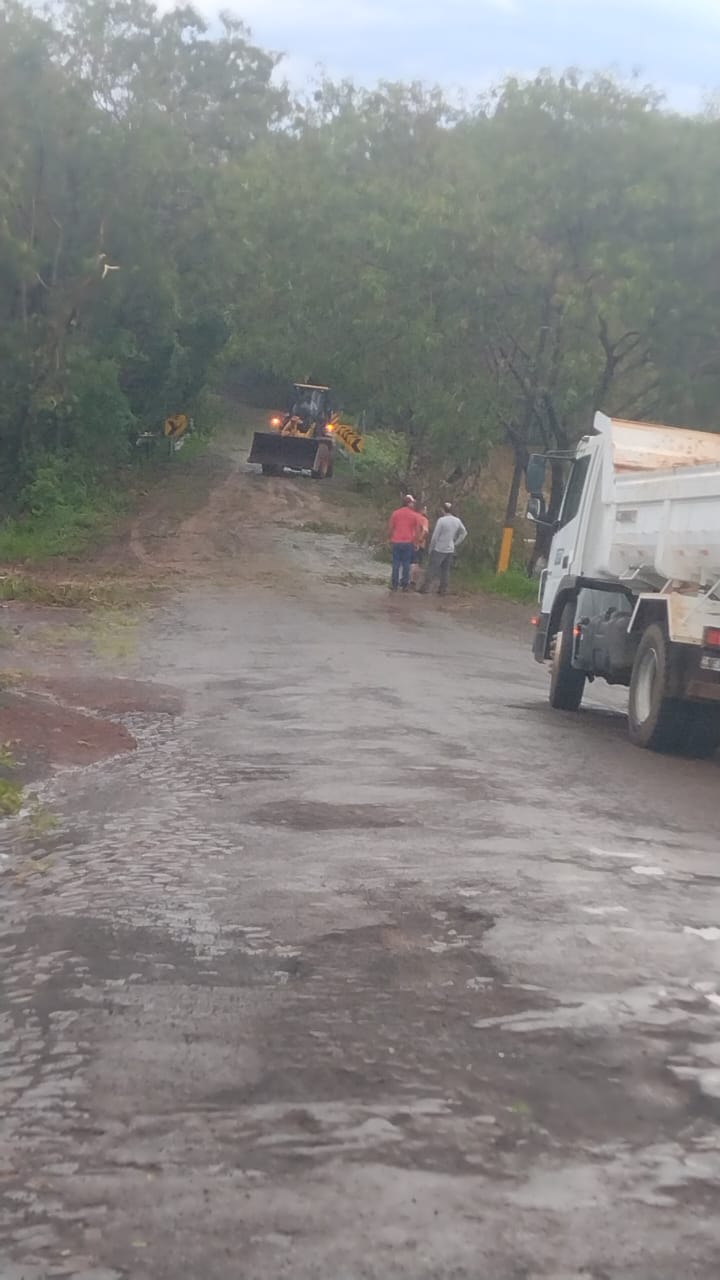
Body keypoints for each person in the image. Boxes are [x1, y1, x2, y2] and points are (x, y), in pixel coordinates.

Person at [419, 501, 467, 596]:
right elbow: (464, 532)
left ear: (443, 510)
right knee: (445, 570)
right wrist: (456, 543)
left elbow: (435, 536)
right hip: (450, 549)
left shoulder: (441, 520)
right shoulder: (457, 520)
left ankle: (425, 587)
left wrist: (431, 548)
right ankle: (443, 589)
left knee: (432, 568)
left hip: (439, 548)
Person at [388, 495, 422, 592]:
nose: (413, 504)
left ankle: (394, 584)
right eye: (412, 503)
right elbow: (418, 530)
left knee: (396, 563)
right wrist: (417, 542)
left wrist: (389, 538)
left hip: (396, 541)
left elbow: (390, 527)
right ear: (409, 503)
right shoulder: (415, 515)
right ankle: (404, 585)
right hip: (408, 542)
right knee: (406, 563)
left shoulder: (395, 513)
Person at [410, 503, 430, 589]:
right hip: (419, 544)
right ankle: (413, 582)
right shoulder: (424, 519)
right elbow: (425, 531)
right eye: (425, 509)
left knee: (410, 563)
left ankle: (405, 580)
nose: (426, 511)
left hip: (410, 542)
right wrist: (420, 540)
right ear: (422, 510)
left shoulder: (412, 517)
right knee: (417, 563)